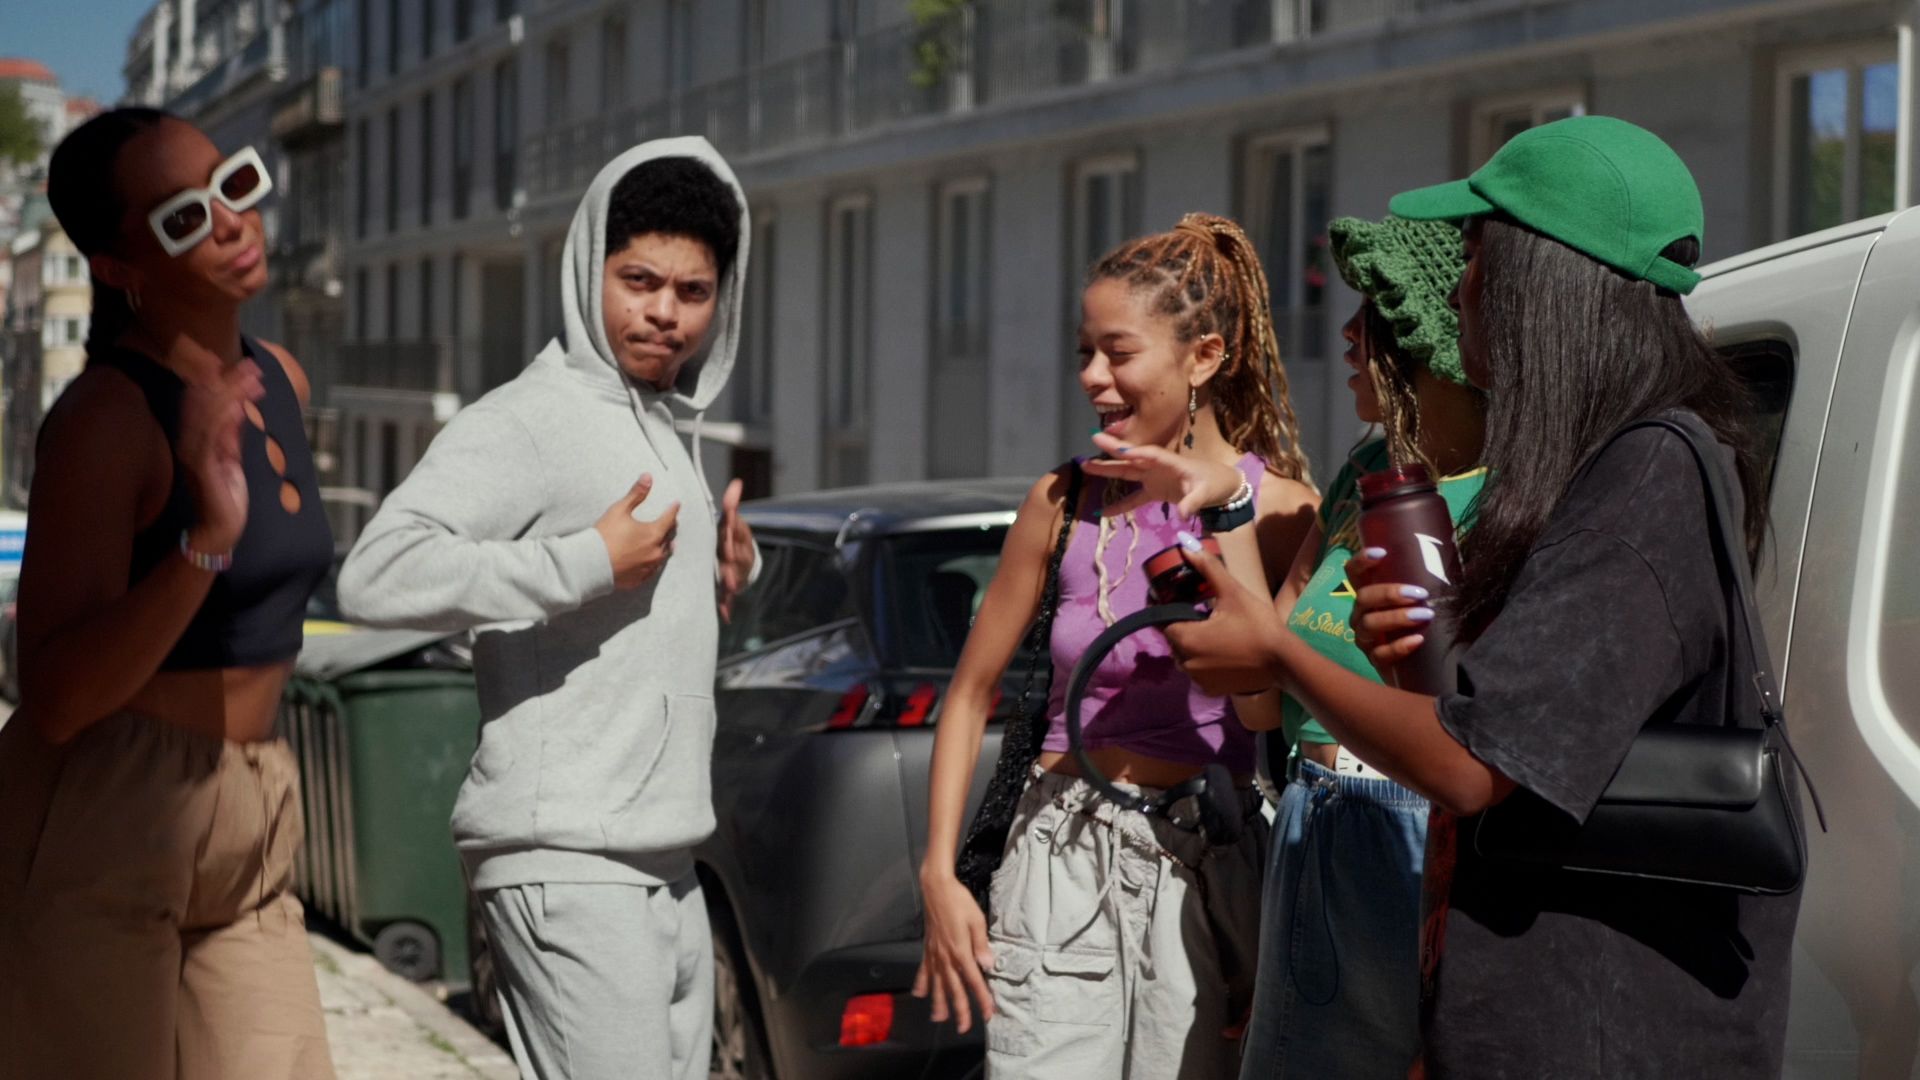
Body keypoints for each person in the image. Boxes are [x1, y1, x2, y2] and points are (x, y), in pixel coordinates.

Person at [1165, 115, 1800, 1077]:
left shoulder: (1649, 472)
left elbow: (1472, 768)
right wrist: (1421, 655)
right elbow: (1527, 718)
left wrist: (1280, 652)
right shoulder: (1616, 466)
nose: (1459, 295)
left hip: (1598, 1035)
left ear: (1537, 289)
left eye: (1475, 265)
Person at [336, 137, 757, 1080]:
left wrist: (717, 580)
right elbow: (376, 574)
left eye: (693, 293)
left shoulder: (663, 425)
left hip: (664, 856)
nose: (663, 312)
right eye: (639, 279)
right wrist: (584, 561)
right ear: (588, 270)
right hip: (565, 853)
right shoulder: (530, 417)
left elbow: (616, 622)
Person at [913, 213, 1319, 1079]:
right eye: (1084, 352)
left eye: (1119, 352)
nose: (1094, 378)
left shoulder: (1284, 510)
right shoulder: (1059, 503)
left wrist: (1224, 517)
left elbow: (1272, 700)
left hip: (1211, 874)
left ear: (1203, 357)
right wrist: (940, 877)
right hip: (1057, 863)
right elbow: (971, 694)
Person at [0, 108, 337, 1078]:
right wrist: (208, 541)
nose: (230, 222)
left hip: (256, 805)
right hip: (111, 810)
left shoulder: (282, 378)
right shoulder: (106, 418)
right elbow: (56, 697)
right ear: (119, 266)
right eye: (183, 217)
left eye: (232, 187)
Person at [1239, 214, 1486, 1079]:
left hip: (1424, 842)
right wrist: (1227, 524)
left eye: (1376, 315)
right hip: (1313, 820)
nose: (1348, 336)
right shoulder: (1363, 473)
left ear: (1435, 337)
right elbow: (1259, 689)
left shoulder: (1516, 494)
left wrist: (1264, 646)